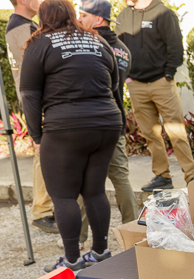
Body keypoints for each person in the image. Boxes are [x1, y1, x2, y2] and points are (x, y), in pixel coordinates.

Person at [20, 0, 124, 272]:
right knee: (95, 190)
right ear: (71, 15)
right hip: (106, 123)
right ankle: (101, 252)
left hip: (66, 127)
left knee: (64, 196)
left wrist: (37, 136)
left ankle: (72, 261)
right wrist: (119, 124)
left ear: (43, 17)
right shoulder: (97, 41)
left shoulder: (40, 44)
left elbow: (29, 95)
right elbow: (114, 86)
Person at [116, 0, 194, 191]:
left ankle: (191, 176)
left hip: (162, 83)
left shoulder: (164, 14)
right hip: (136, 84)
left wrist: (168, 74)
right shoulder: (123, 16)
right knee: (150, 134)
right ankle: (162, 176)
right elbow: (119, 49)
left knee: (176, 131)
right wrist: (127, 77)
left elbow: (175, 47)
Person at [77, 0, 138, 224]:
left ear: (98, 19)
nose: (79, 20)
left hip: (90, 122)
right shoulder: (123, 50)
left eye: (83, 15)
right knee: (121, 179)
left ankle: (79, 237)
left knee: (85, 180)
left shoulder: (87, 44)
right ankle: (132, 230)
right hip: (115, 121)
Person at [6, 0, 58, 235]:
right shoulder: (24, 29)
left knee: (47, 153)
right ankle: (42, 210)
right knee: (44, 154)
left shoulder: (19, 25)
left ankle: (48, 206)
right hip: (38, 99)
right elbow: (39, 68)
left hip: (35, 98)